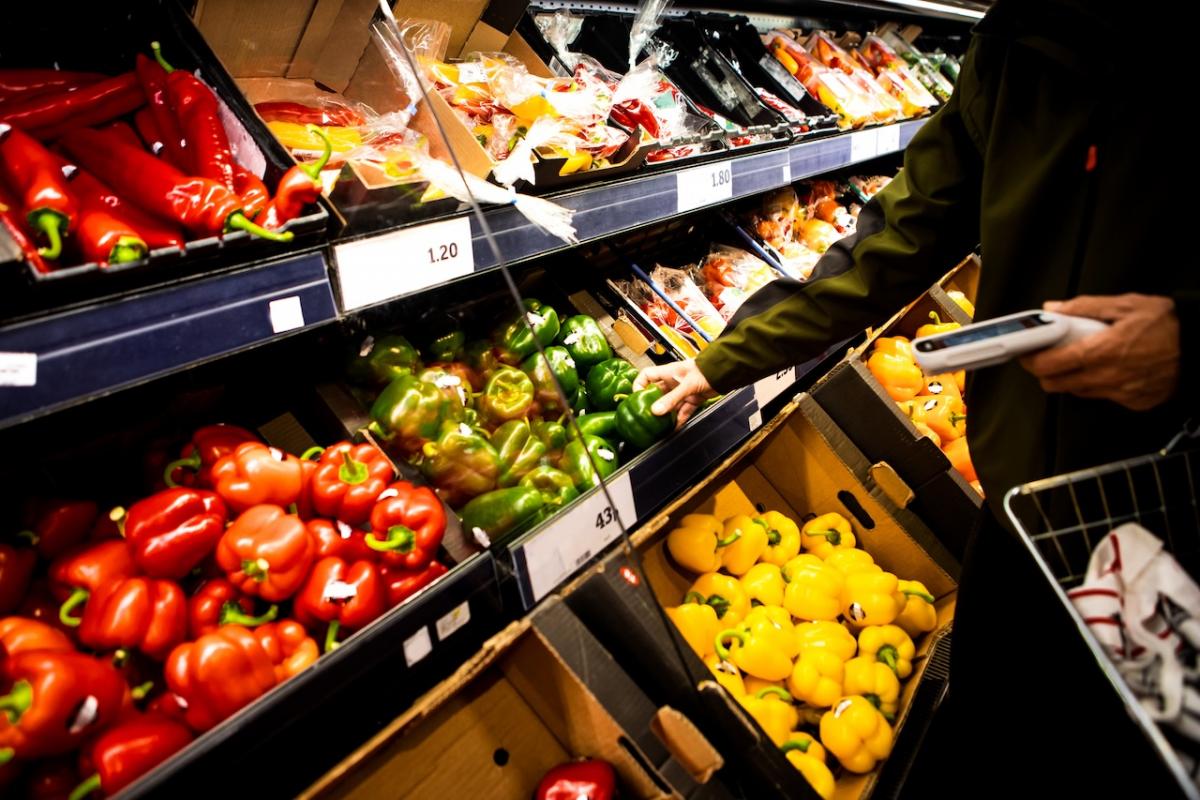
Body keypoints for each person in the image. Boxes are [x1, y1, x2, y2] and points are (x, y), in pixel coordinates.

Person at [637, 0, 1194, 794]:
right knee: (981, 737)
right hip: (1022, 509)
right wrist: (725, 358)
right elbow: (901, 234)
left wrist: (1190, 344)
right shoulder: (1017, 43)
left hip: (1173, 508)